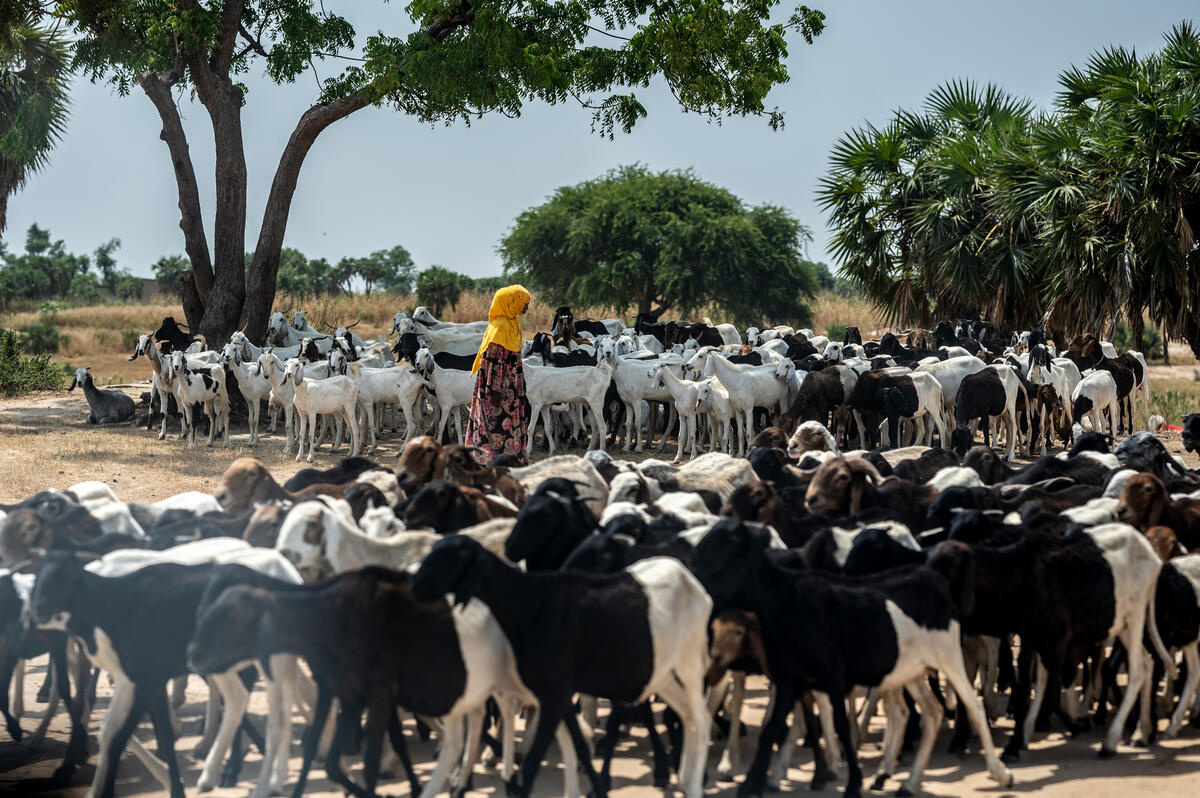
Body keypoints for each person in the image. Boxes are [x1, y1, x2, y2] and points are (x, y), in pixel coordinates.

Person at [466, 285, 531, 464]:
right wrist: (492, 390)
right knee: (494, 424)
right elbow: (490, 360)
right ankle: (490, 462)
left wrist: (520, 382)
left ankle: (511, 459)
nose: (526, 306)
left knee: (510, 424)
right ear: (510, 302)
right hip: (496, 390)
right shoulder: (500, 326)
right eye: (523, 302)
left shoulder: (513, 322)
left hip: (511, 386)